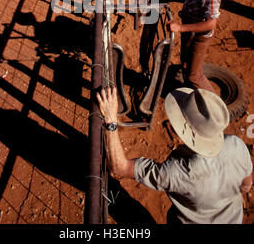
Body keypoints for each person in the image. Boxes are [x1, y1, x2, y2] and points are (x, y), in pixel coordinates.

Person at [96, 85, 252, 224]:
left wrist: (111, 120)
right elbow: (246, 184)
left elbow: (119, 168)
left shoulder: (178, 172)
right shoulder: (236, 145)